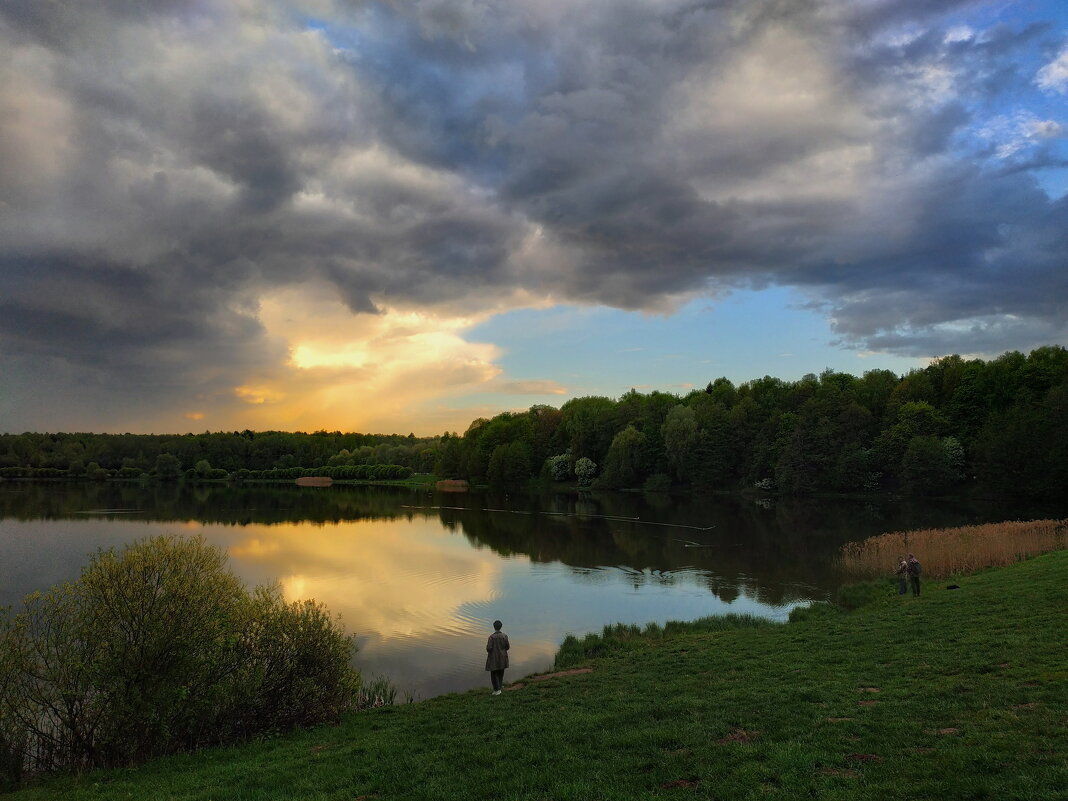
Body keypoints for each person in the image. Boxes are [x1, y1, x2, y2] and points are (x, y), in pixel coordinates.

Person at [485, 619, 509, 695]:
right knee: (501, 672)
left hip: (494, 658)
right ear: (501, 627)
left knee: (494, 673)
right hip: (503, 657)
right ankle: (499, 688)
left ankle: (496, 690)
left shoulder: (491, 637)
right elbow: (507, 647)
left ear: (494, 627)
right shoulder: (505, 636)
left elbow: (489, 648)